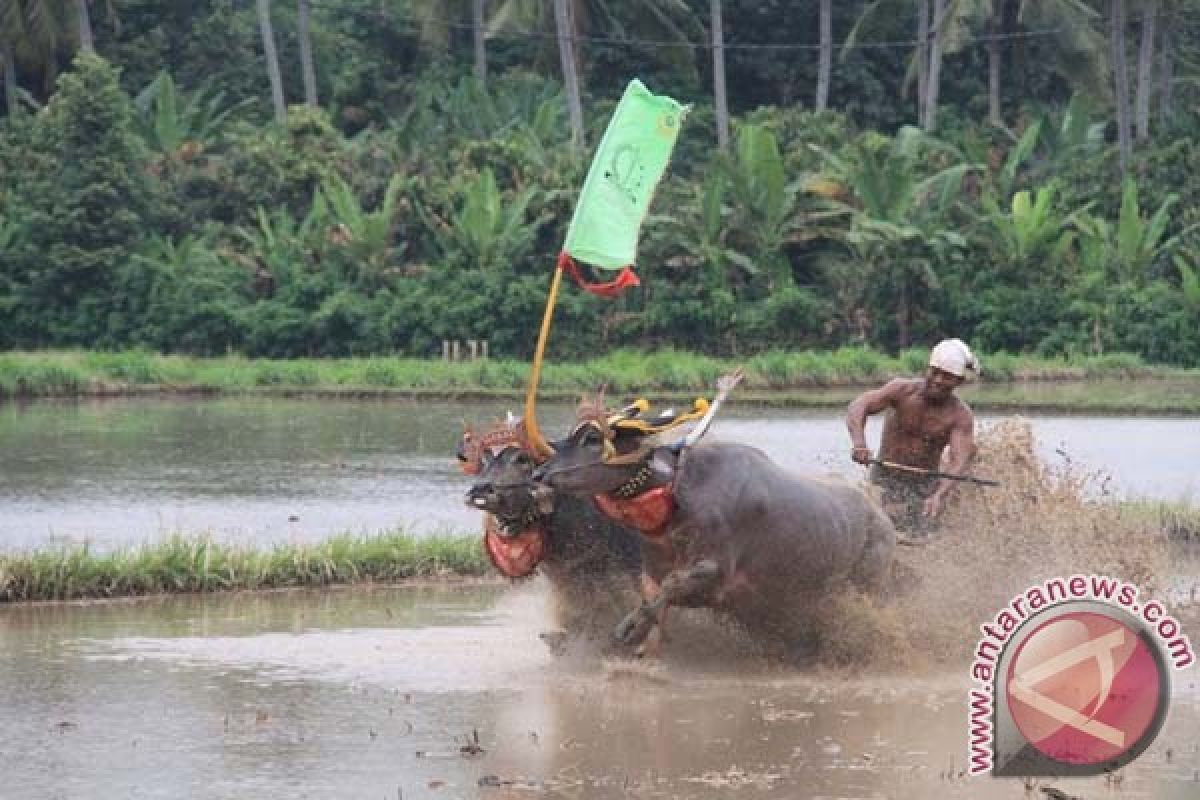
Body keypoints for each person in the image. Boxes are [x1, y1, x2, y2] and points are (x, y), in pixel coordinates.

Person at [845, 339, 978, 533]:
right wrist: (859, 444)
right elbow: (859, 406)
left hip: (924, 487)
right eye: (935, 372)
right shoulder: (901, 390)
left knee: (920, 535)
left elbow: (959, 460)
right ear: (928, 369)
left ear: (959, 381)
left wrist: (940, 495)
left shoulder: (960, 416)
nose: (938, 380)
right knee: (874, 532)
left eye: (947, 376)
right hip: (884, 477)